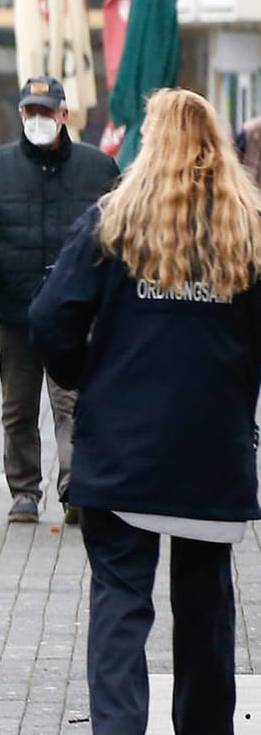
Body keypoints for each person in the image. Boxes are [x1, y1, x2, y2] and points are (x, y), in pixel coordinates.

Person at [30, 88, 261, 735]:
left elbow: (49, 320)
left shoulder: (115, 222)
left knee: (120, 610)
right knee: (208, 614)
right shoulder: (248, 230)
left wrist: (86, 382)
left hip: (123, 450)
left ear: (149, 145)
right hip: (212, 454)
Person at [0, 76, 118, 525]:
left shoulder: (98, 169)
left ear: (65, 115)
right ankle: (25, 490)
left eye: (47, 112)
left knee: (73, 403)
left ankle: (76, 488)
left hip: (73, 310)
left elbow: (115, 234)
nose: (38, 120)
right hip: (14, 309)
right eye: (31, 111)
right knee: (18, 406)